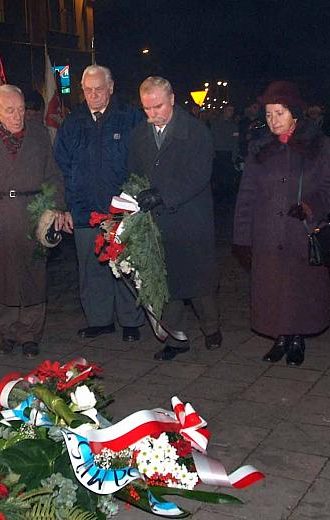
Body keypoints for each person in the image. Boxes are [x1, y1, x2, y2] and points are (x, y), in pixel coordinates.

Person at [0, 84, 71, 358]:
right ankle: (7, 334)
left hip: (33, 216)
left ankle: (30, 335)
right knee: (0, 278)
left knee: (34, 277)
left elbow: (53, 177)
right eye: (10, 111)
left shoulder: (39, 134)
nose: (18, 116)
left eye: (20, 109)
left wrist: (56, 208)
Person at [233, 81, 330, 365]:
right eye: (269, 114)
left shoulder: (317, 145)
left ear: (294, 113)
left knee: (299, 289)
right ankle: (280, 336)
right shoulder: (260, 148)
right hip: (268, 233)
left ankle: (297, 339)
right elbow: (246, 195)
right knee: (273, 289)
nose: (273, 120)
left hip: (301, 233)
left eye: (279, 113)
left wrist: (310, 206)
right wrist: (242, 237)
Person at [128, 76, 221, 361]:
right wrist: (134, 196)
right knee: (164, 282)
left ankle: (211, 328)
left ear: (171, 100)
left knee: (197, 282)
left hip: (190, 218)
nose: (152, 113)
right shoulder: (139, 134)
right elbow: (133, 172)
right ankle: (176, 338)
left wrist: (163, 194)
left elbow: (199, 175)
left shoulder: (195, 131)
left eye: (157, 107)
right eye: (146, 108)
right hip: (156, 222)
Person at [54, 65, 145, 342]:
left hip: (122, 211)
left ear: (111, 88)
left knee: (125, 266)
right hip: (84, 210)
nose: (93, 95)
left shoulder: (130, 118)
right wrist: (65, 207)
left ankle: (131, 321)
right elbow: (60, 167)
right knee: (91, 269)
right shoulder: (73, 123)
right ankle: (99, 320)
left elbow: (142, 164)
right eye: (88, 90)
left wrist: (135, 202)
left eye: (99, 89)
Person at [209, 104, 240, 200]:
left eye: (232, 110)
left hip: (228, 153)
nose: (231, 112)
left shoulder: (233, 125)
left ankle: (226, 197)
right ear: (224, 110)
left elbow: (235, 140)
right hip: (218, 153)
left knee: (228, 178)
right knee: (218, 177)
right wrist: (212, 154)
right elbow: (211, 138)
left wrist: (234, 155)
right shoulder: (216, 123)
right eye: (229, 110)